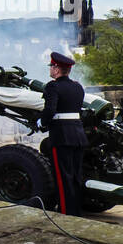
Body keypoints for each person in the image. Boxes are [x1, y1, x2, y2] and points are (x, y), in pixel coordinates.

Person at [38, 51, 88, 216]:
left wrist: (42, 122)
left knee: (63, 177)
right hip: (78, 135)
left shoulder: (53, 86)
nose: (50, 69)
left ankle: (67, 213)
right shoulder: (77, 86)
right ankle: (77, 211)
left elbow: (50, 109)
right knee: (75, 176)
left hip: (62, 136)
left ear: (57, 69)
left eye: (52, 66)